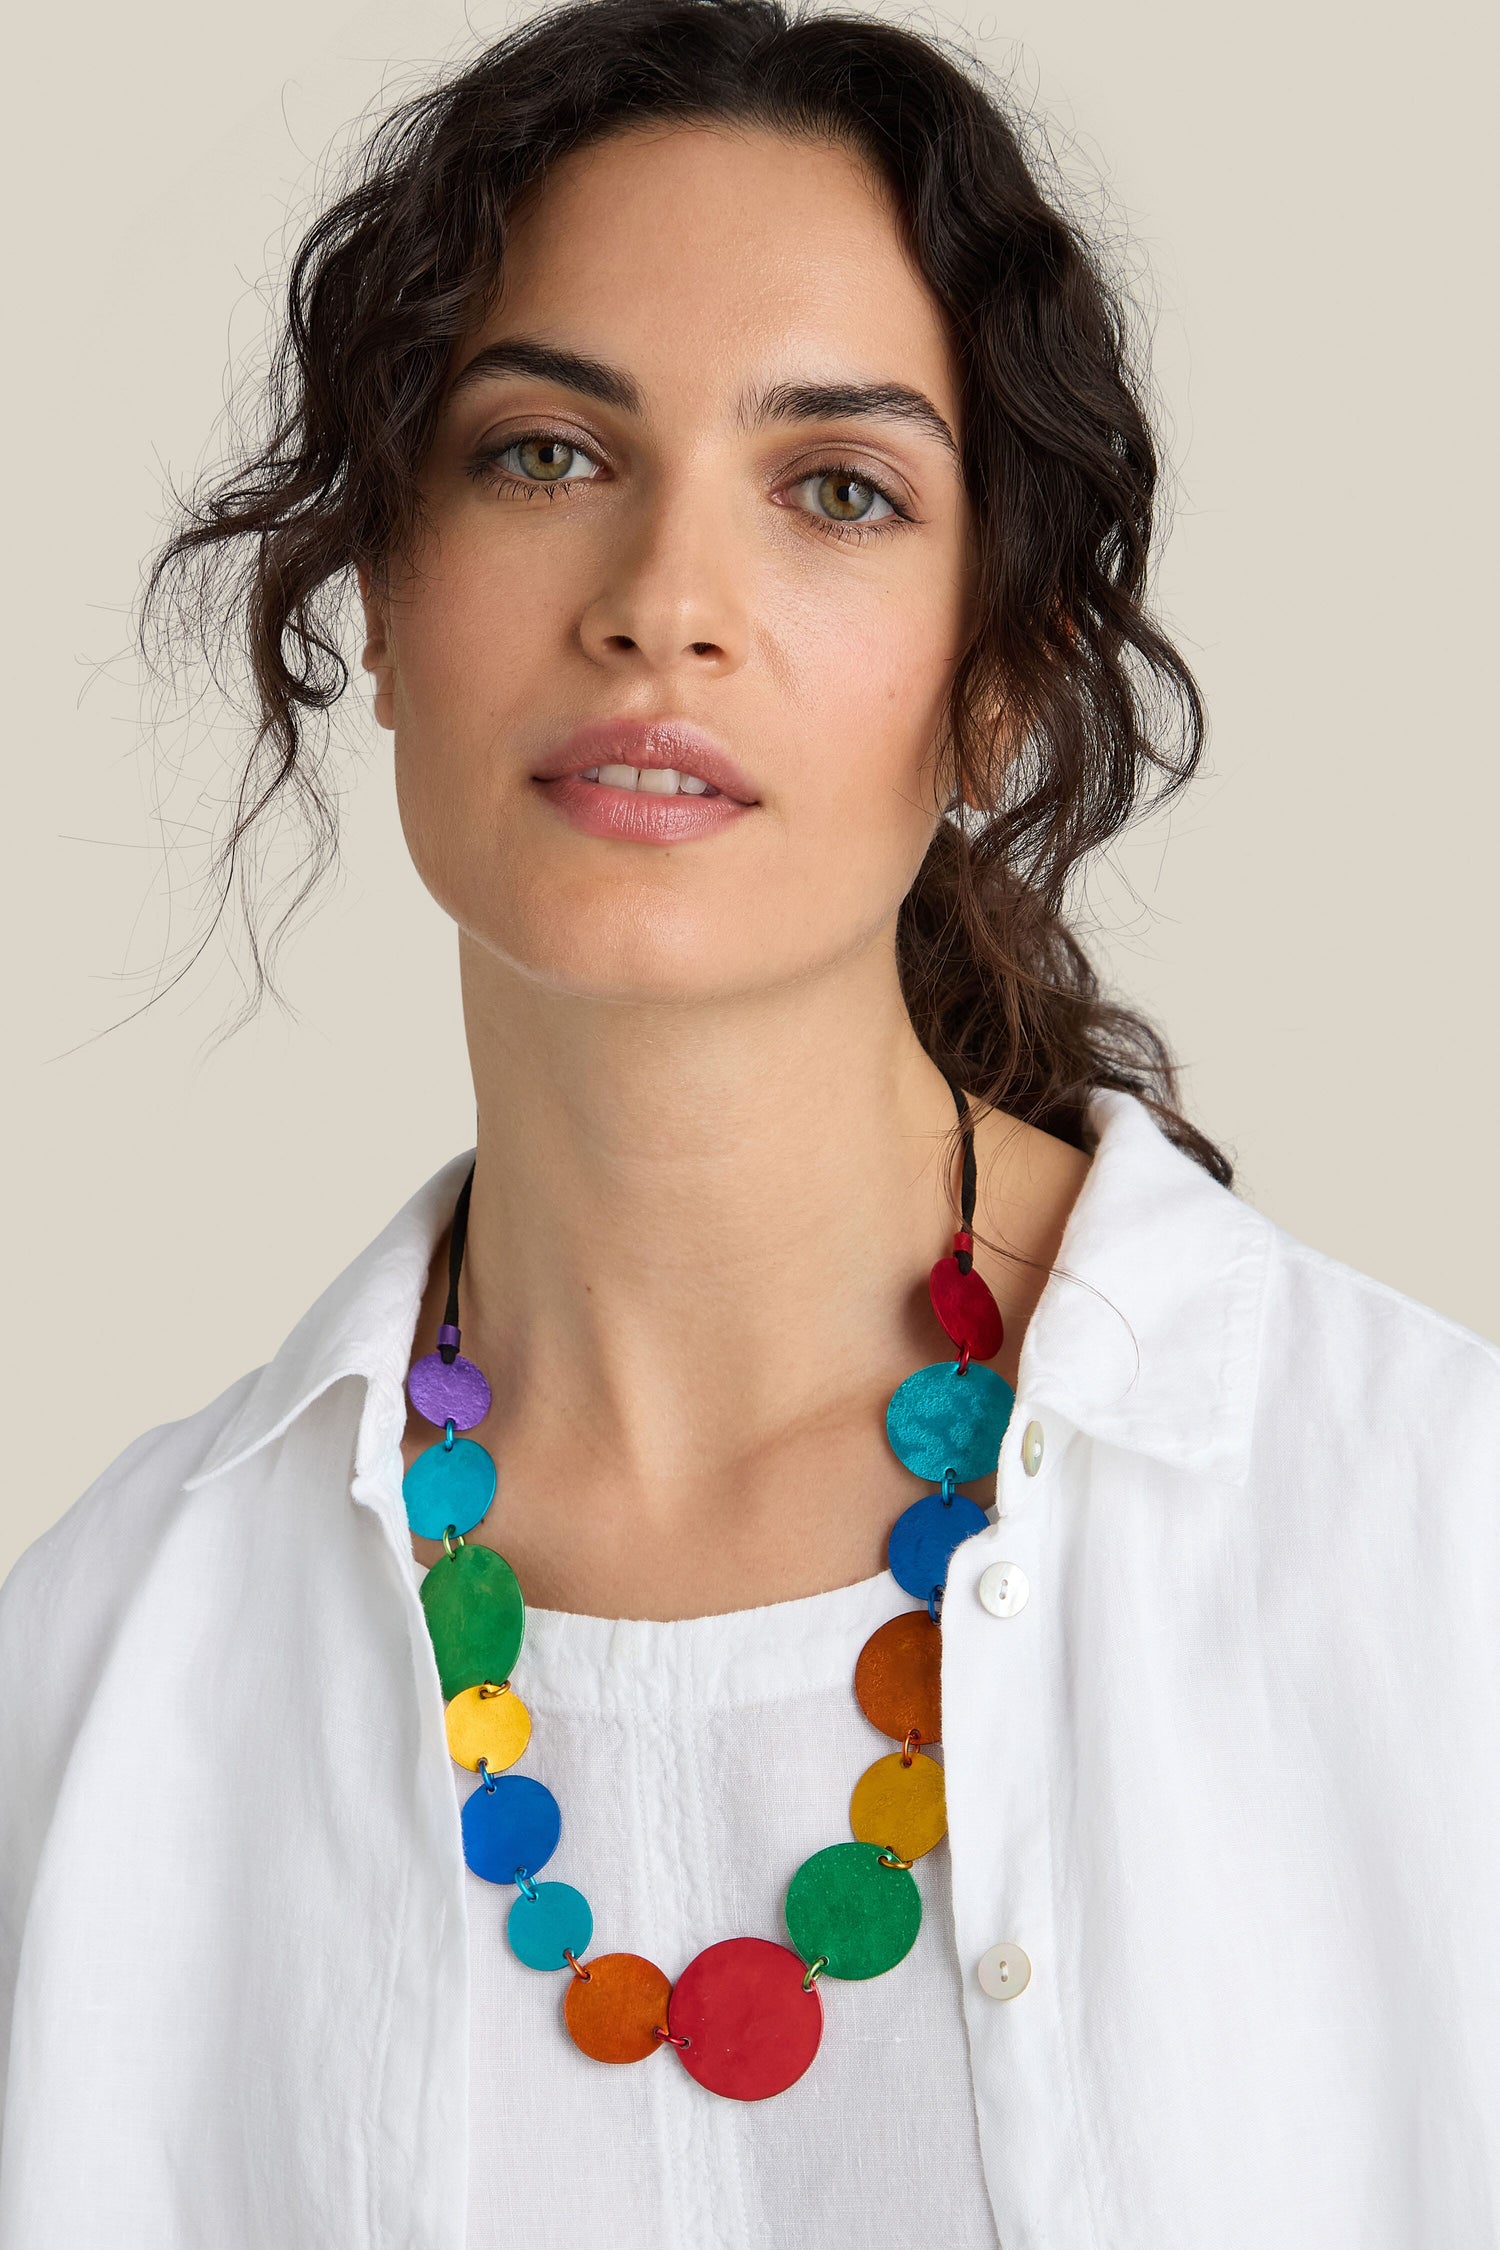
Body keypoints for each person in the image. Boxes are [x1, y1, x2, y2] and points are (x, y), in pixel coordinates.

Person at [1, 1, 1495, 2243]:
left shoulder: (1433, 1556)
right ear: (378, 601)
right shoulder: (93, 1677)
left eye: (839, 491)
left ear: (998, 678)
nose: (662, 607)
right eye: (539, 452)